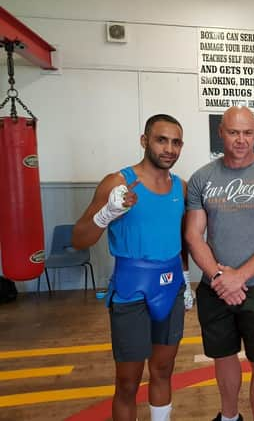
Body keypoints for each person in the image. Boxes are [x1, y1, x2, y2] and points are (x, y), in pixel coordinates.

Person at [72, 114, 190, 421]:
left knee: (164, 370)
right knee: (127, 382)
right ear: (144, 141)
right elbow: (79, 238)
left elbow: (184, 238)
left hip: (171, 286)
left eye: (176, 142)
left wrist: (187, 278)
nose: (169, 148)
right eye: (161, 139)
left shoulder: (182, 187)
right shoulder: (118, 182)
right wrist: (108, 212)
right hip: (131, 290)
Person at [184, 106, 254, 421]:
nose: (241, 139)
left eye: (247, 132)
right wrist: (220, 276)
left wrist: (240, 276)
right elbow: (194, 236)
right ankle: (230, 417)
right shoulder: (201, 178)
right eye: (234, 132)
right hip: (214, 285)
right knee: (223, 357)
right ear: (220, 133)